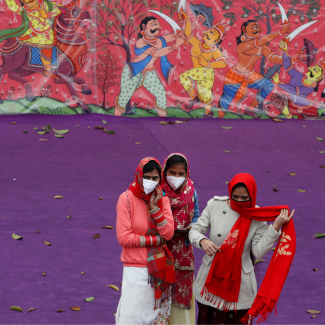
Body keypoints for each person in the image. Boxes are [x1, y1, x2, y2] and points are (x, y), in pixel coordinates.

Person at [189, 173, 296, 324]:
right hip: (211, 281)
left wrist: (275, 226)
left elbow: (258, 251)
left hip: (240, 287)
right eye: (235, 197)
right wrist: (202, 241)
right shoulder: (215, 205)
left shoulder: (257, 215)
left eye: (244, 198)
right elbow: (195, 230)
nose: (239, 201)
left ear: (252, 195)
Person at [115, 157, 175, 325]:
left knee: (153, 319)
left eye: (155, 178)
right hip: (135, 269)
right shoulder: (126, 198)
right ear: (139, 175)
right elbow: (124, 237)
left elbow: (168, 234)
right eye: (146, 177)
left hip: (158, 269)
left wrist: (155, 209)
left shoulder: (162, 199)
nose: (150, 181)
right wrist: (155, 240)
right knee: (132, 318)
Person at [114, 16, 186, 117]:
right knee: (124, 96)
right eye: (154, 24)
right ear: (144, 27)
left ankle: (163, 119)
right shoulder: (140, 42)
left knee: (160, 93)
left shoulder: (160, 40)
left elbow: (177, 34)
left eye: (158, 24)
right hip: (134, 71)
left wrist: (187, 24)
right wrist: (175, 46)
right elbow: (157, 53)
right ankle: (114, 119)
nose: (159, 27)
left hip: (149, 73)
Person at [219, 20, 291, 119]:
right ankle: (218, 118)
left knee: (267, 85)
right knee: (227, 99)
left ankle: (251, 108)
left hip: (250, 75)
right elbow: (261, 41)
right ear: (244, 29)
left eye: (258, 28)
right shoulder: (242, 45)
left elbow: (272, 58)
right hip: (235, 76)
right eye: (254, 27)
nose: (259, 30)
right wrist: (279, 32)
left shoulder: (261, 46)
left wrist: (290, 59)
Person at [161, 153, 200, 324]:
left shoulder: (192, 192)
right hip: (161, 251)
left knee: (180, 300)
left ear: (187, 173)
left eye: (181, 174)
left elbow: (197, 217)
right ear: (164, 172)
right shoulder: (158, 192)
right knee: (160, 298)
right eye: (172, 173)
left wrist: (192, 226)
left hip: (183, 253)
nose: (176, 177)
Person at [177, 12, 228, 117]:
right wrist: (187, 20)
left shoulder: (214, 49)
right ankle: (208, 111)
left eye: (213, 33)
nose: (209, 33)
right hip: (199, 72)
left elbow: (222, 63)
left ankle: (194, 97)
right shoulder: (197, 43)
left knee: (185, 76)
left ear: (217, 40)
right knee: (203, 92)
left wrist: (208, 63)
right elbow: (188, 34)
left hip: (207, 72)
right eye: (210, 31)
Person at [2, 0, 64, 78]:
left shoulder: (45, 4)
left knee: (49, 45)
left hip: (48, 33)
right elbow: (13, 7)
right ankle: (44, 69)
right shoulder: (25, 10)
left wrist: (47, 15)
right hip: (33, 34)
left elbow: (60, 7)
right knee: (44, 46)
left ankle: (47, 70)